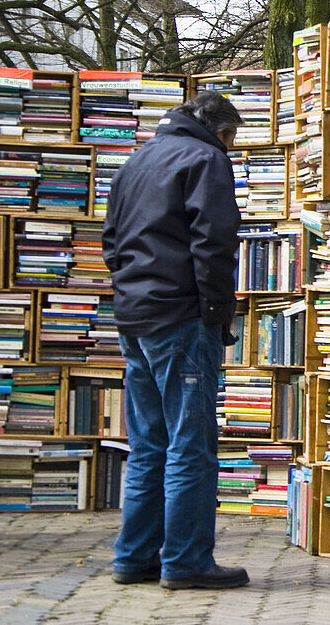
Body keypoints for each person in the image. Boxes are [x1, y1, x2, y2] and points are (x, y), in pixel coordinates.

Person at [102, 91, 249, 589]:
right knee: (190, 443)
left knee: (147, 444)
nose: (231, 147)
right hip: (182, 315)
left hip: (134, 315)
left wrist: (129, 296)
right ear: (221, 130)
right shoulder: (206, 158)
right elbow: (215, 241)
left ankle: (134, 557)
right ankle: (186, 562)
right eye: (232, 138)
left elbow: (112, 241)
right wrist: (215, 312)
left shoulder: (136, 161)